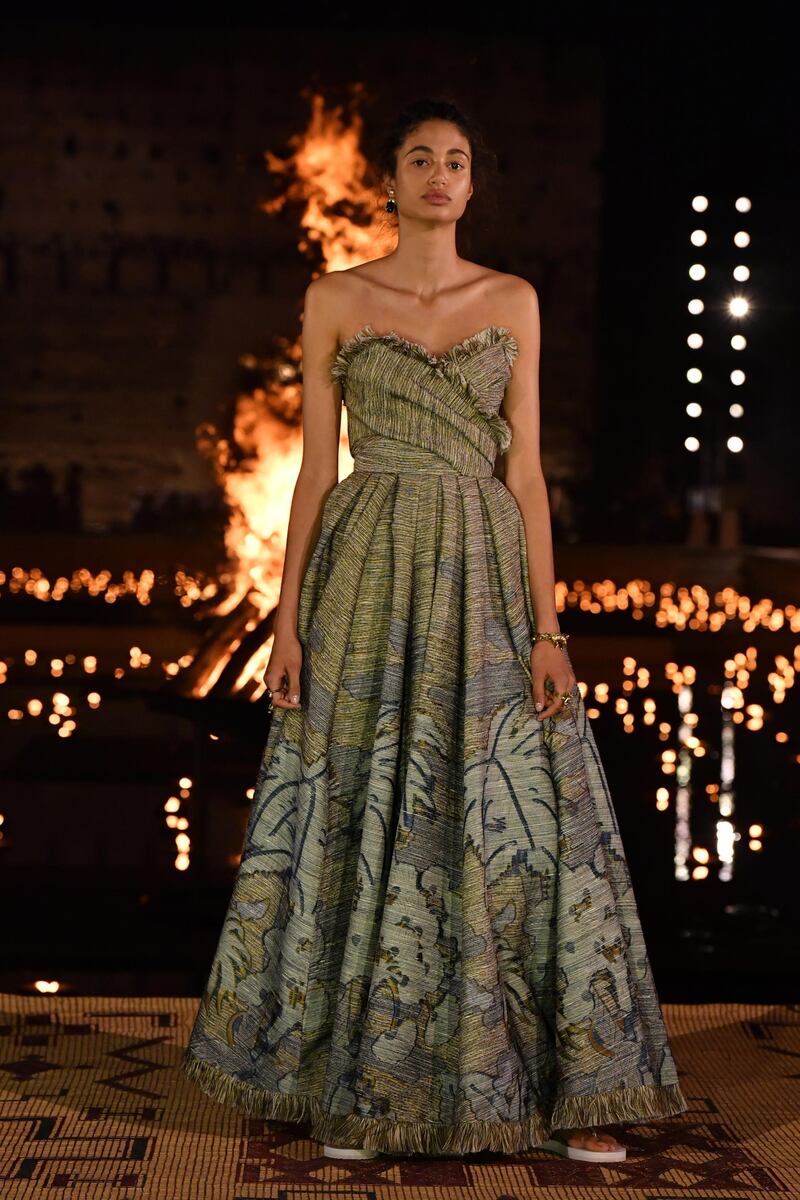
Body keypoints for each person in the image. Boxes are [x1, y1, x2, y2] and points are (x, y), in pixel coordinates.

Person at [182, 97, 688, 1163]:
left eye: (456, 161)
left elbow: (525, 468)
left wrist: (550, 630)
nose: (439, 175)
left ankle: (546, 1084)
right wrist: (285, 623)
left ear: (472, 183)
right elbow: (318, 467)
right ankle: (361, 1085)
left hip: (485, 568)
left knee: (511, 811)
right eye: (420, 158)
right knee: (361, 801)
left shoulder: (512, 298)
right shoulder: (334, 297)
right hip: (365, 564)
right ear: (392, 179)